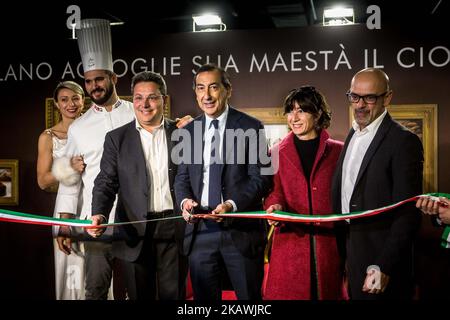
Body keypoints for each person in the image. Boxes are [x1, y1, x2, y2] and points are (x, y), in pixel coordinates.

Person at [174, 64, 272, 301]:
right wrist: (185, 201)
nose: (206, 95)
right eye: (200, 88)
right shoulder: (189, 131)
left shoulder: (252, 127)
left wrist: (231, 204)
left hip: (241, 232)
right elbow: (182, 179)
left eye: (213, 87)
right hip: (201, 232)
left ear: (228, 90)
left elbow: (263, 178)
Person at [87, 71, 188, 300]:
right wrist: (99, 213)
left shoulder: (182, 134)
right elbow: (105, 181)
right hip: (133, 232)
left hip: (174, 229)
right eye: (138, 98)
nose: (145, 104)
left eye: (152, 97)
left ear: (163, 99)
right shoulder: (116, 138)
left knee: (174, 296)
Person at [55, 19, 135, 300]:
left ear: (114, 78)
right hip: (96, 223)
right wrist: (63, 225)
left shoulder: (137, 113)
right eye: (88, 81)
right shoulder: (78, 128)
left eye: (99, 79)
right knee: (96, 290)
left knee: (140, 290)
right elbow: (69, 180)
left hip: (136, 221)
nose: (93, 86)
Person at [331, 68, 424, 299]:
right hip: (352, 252)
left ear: (388, 97)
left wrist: (384, 266)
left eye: (370, 97)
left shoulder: (404, 141)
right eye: (354, 96)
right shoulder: (353, 134)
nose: (360, 105)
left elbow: (408, 213)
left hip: (381, 260)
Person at [263, 86, 345, 300]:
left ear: (318, 114)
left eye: (302, 111)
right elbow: (272, 193)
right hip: (289, 249)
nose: (294, 117)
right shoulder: (274, 153)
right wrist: (275, 206)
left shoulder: (340, 152)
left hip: (328, 248)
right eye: (290, 111)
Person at [36, 81, 86, 300]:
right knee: (70, 272)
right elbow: (43, 181)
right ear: (56, 104)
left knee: (97, 271)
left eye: (75, 98)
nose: (71, 104)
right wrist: (68, 168)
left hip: (94, 204)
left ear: (83, 100)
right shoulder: (48, 136)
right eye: (64, 99)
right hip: (65, 208)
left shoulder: (95, 129)